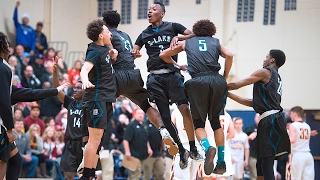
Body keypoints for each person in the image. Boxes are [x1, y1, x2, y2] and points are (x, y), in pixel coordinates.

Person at [132, 2, 202, 169]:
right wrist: (134, 53)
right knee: (165, 117)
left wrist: (181, 37)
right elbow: (134, 51)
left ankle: (193, 148)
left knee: (185, 110)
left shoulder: (173, 26)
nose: (150, 11)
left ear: (162, 14)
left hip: (173, 75)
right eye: (149, 10)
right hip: (155, 78)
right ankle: (182, 149)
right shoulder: (143, 34)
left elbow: (195, 35)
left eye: (154, 9)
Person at [159, 19, 233, 175]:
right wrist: (224, 76)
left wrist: (179, 66)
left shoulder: (188, 43)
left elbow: (163, 54)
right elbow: (230, 55)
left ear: (195, 30)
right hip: (217, 80)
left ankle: (207, 148)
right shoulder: (216, 43)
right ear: (211, 31)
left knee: (199, 124)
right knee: (216, 123)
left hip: (197, 81)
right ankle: (221, 161)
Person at [101, 10, 175, 152]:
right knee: (146, 106)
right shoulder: (126, 35)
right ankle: (164, 129)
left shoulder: (107, 35)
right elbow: (130, 55)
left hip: (117, 74)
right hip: (133, 74)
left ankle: (96, 144)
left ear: (105, 23)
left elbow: (113, 58)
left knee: (100, 104)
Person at [227, 49, 290, 180]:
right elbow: (253, 103)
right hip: (270, 119)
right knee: (260, 164)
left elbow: (237, 84)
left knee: (266, 164)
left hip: (270, 120)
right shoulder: (276, 77)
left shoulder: (265, 72)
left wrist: (219, 85)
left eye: (266, 57)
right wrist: (228, 94)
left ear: (272, 60)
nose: (264, 59)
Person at [79, 19, 118, 180]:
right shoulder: (94, 51)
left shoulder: (105, 49)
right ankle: (86, 175)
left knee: (98, 140)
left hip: (105, 99)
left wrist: (113, 57)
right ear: (101, 35)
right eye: (107, 31)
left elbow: (104, 67)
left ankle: (91, 174)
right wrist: (85, 79)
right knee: (94, 140)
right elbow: (85, 68)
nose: (110, 33)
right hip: (96, 99)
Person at [52, 56, 86, 180]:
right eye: (75, 87)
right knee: (68, 175)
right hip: (70, 142)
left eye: (78, 88)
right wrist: (55, 72)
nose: (75, 90)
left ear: (85, 90)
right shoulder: (70, 102)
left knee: (86, 176)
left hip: (84, 143)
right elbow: (57, 90)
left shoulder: (89, 104)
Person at [0, 31, 17, 180]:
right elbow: (4, 101)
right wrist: (10, 129)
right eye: (6, 44)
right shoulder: (4, 68)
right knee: (3, 161)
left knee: (16, 159)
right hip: (0, 126)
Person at [123, 108, 153, 180]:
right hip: (134, 155)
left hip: (143, 154)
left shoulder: (144, 125)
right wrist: (127, 152)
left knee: (135, 175)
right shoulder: (131, 125)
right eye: (138, 113)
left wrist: (149, 148)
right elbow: (125, 139)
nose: (140, 115)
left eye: (142, 113)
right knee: (136, 174)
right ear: (135, 114)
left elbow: (146, 139)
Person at [288, 106, 316, 180]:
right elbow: (308, 143)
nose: (290, 116)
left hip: (297, 155)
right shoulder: (307, 126)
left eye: (291, 114)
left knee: (295, 178)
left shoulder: (293, 125)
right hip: (308, 155)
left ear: (295, 114)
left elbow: (292, 140)